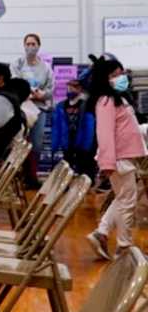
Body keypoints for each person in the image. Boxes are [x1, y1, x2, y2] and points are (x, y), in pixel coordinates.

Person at [86, 55, 146, 260]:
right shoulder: (106, 101)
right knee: (128, 202)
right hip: (119, 159)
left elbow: (127, 129)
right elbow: (104, 134)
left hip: (125, 156)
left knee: (122, 199)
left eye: (121, 73)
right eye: (114, 74)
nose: (120, 77)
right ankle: (124, 247)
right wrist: (108, 163)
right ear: (105, 78)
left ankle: (101, 233)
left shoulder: (118, 99)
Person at [14, 33, 55, 189]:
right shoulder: (17, 63)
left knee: (36, 144)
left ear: (38, 46)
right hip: (22, 108)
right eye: (28, 44)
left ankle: (32, 176)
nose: (30, 47)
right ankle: (18, 176)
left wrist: (42, 94)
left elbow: (51, 89)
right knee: (20, 143)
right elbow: (15, 81)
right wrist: (28, 92)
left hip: (39, 108)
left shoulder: (46, 68)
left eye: (33, 44)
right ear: (24, 45)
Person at [51, 79, 97, 181]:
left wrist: (87, 144)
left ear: (81, 89)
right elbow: (57, 127)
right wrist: (54, 144)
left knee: (84, 168)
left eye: (74, 87)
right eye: (69, 87)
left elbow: (89, 126)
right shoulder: (61, 106)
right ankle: (66, 186)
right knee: (67, 166)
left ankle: (87, 185)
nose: (71, 89)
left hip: (82, 142)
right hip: (67, 141)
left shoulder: (86, 105)